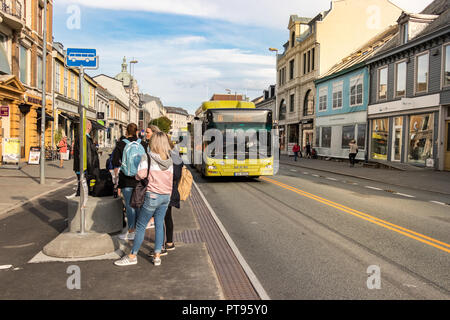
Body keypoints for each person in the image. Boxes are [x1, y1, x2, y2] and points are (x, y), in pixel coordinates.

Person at [114, 132, 174, 267]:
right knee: (159, 224)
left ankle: (132, 255)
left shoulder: (147, 157)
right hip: (165, 197)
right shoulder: (170, 160)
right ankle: (157, 256)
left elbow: (140, 175)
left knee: (141, 225)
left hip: (152, 195)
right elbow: (171, 180)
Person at [112, 123, 148, 241]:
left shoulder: (121, 144)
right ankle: (139, 228)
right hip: (140, 178)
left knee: (129, 205)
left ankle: (131, 230)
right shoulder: (143, 144)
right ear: (137, 131)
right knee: (139, 204)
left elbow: (114, 161)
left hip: (126, 179)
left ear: (126, 132)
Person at [149, 136, 183, 257]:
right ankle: (169, 242)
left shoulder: (162, 156)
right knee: (167, 217)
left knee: (160, 218)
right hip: (172, 190)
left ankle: (161, 247)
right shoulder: (176, 156)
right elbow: (178, 175)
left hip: (162, 189)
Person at [73, 120, 100, 196]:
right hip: (85, 169)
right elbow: (88, 156)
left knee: (82, 189)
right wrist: (92, 171)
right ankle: (81, 206)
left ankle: (80, 205)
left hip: (80, 167)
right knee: (84, 191)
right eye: (90, 125)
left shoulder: (80, 137)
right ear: (88, 126)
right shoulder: (84, 138)